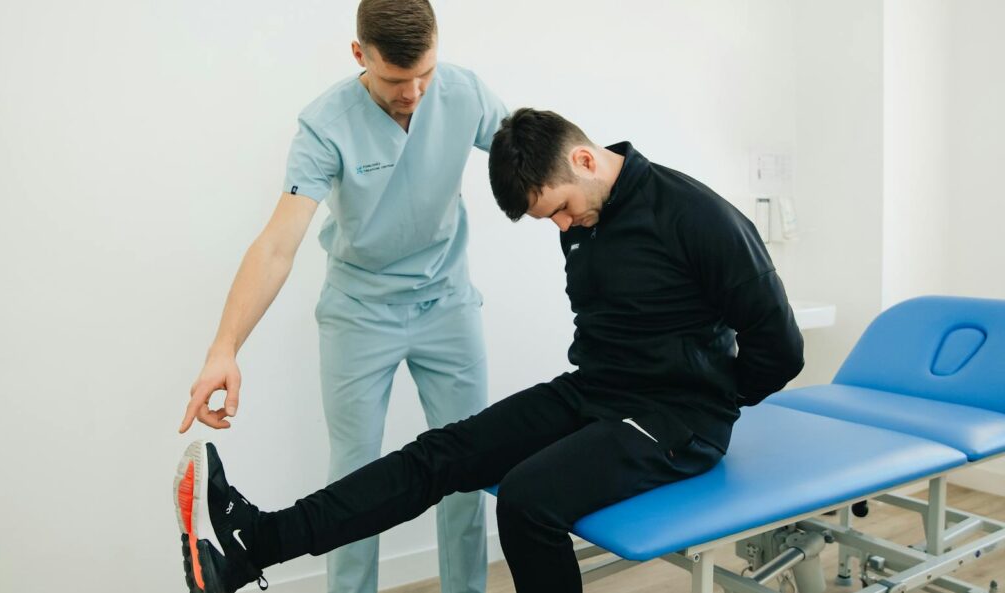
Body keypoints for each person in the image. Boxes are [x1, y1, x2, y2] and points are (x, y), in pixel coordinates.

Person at [173, 108, 805, 593]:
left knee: (529, 499)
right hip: (596, 391)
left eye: (559, 210)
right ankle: (252, 545)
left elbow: (781, 348)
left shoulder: (699, 217)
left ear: (585, 160)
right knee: (440, 452)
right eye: (547, 221)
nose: (561, 227)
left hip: (676, 418)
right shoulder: (586, 215)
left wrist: (703, 396)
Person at [176, 1, 508, 592]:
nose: (413, 93)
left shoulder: (463, 92)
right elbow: (279, 244)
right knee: (355, 485)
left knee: (470, 470)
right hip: (360, 316)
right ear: (360, 55)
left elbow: (533, 152)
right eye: (394, 79)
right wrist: (224, 347)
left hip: (448, 305)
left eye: (424, 73)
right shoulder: (326, 124)